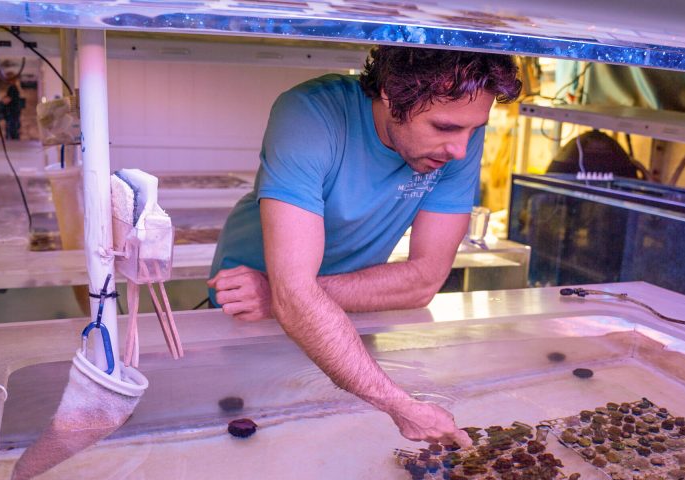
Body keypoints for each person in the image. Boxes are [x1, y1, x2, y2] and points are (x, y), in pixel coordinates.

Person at [208, 46, 521, 447]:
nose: (460, 150)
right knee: (257, 439)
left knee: (335, 437)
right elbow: (294, 297)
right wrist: (399, 404)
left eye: (474, 129)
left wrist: (282, 295)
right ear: (391, 94)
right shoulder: (309, 114)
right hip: (243, 308)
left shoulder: (458, 136)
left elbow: (424, 282)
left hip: (303, 302)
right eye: (444, 128)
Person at [1, 73, 24, 140]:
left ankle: (13, 140)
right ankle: (15, 139)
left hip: (12, 110)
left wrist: (3, 100)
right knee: (15, 126)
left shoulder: (12, 88)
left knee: (12, 127)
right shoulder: (16, 88)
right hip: (15, 110)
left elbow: (8, 99)